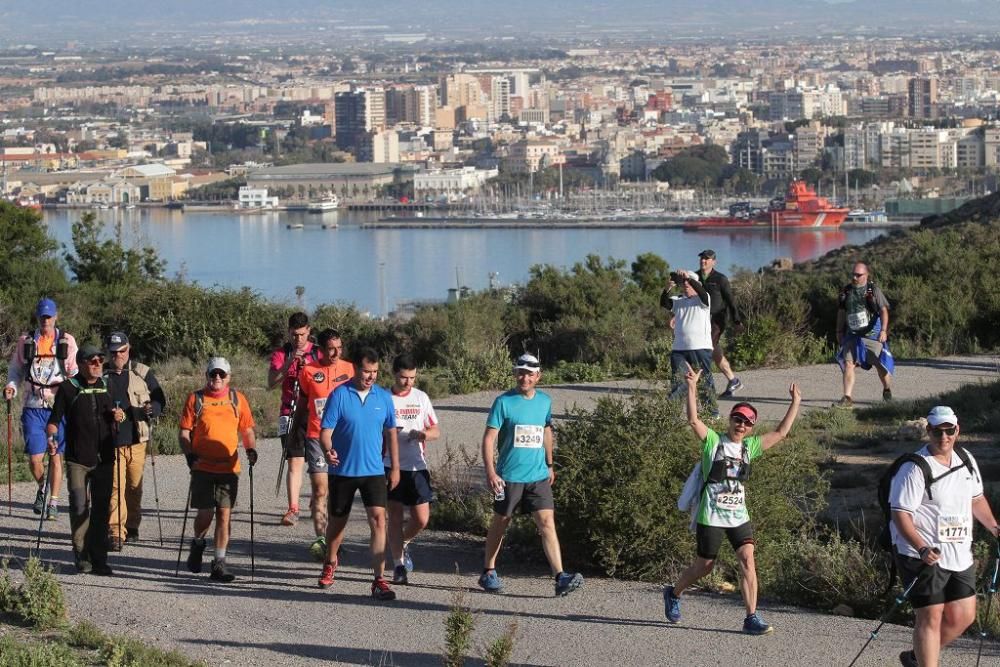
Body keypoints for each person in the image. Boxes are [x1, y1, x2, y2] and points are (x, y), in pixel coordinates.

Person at [664, 366, 801, 635]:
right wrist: (692, 387)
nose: (741, 425)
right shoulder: (714, 442)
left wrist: (795, 403)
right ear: (730, 420)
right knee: (704, 566)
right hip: (711, 514)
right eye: (738, 419)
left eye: (747, 422)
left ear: (751, 428)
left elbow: (781, 433)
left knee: (748, 559)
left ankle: (751, 617)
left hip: (738, 514)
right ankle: (674, 593)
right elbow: (693, 421)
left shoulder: (749, 448)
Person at [889, 406, 999, 667]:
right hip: (921, 554)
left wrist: (995, 527)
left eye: (949, 430)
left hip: (959, 553)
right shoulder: (913, 468)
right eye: (937, 431)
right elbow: (900, 514)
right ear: (928, 431)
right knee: (930, 616)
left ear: (957, 430)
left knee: (963, 615)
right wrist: (922, 547)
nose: (944, 436)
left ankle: (917, 657)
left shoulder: (966, 459)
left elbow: (977, 499)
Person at [479, 353, 583, 597]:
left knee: (547, 523)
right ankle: (488, 571)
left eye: (529, 373)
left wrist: (549, 463)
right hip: (509, 477)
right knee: (501, 522)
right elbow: (489, 438)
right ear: (515, 374)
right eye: (520, 372)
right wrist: (491, 471)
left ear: (538, 376)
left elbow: (546, 430)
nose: (524, 377)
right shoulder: (503, 402)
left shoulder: (544, 401)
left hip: (537, 476)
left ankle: (560, 577)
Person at [317, 348, 400, 601]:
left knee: (378, 521)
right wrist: (328, 450)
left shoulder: (384, 398)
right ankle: (330, 562)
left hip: (373, 470)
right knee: (337, 523)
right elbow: (325, 432)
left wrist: (394, 467)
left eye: (375, 372)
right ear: (355, 369)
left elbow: (391, 433)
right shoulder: (339, 395)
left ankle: (378, 580)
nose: (371, 376)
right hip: (343, 470)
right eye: (366, 371)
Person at [179, 357, 257, 583]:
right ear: (207, 375)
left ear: (228, 377)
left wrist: (251, 449)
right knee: (205, 514)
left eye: (222, 375)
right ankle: (198, 542)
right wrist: (189, 454)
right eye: (213, 374)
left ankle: (219, 563)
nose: (217, 378)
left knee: (224, 514)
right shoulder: (196, 399)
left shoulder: (237, 399)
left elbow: (248, 430)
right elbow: (184, 433)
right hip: (202, 466)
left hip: (229, 468)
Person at [46, 343, 119, 575]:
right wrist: (51, 436)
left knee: (101, 509)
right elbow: (54, 419)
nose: (98, 364)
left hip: (105, 458)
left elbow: (118, 412)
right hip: (78, 458)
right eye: (93, 361)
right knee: (79, 505)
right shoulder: (68, 388)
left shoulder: (107, 385)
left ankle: (99, 559)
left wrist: (121, 415)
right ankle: (81, 555)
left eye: (101, 360)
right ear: (80, 364)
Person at [4, 297, 78, 520]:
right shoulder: (26, 341)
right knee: (35, 459)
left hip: (57, 407)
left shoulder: (67, 341)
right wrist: (10, 387)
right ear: (37, 318)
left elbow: (74, 372)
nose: (45, 320)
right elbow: (16, 370)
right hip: (33, 405)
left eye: (49, 316)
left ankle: (53, 502)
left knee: (56, 456)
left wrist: (74, 397)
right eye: (42, 316)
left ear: (55, 317)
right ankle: (42, 488)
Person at [290, 328, 354, 561]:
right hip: (316, 436)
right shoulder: (309, 372)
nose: (336, 352)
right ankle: (322, 540)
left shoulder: (350, 369)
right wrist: (294, 433)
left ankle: (336, 539)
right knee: (320, 490)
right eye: (330, 348)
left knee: (340, 491)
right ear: (322, 350)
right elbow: (303, 403)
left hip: (344, 438)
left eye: (339, 347)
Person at [103, 331, 166, 550]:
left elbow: (160, 399)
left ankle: (132, 524)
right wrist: (110, 412)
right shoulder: (102, 374)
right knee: (115, 487)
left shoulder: (142, 372)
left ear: (128, 349)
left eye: (121, 351)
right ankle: (116, 532)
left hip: (137, 439)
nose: (117, 356)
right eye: (113, 352)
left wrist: (152, 409)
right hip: (112, 441)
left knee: (133, 486)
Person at [385, 354, 440, 585]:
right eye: (404, 377)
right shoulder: (384, 398)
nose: (408, 382)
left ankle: (404, 542)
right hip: (388, 465)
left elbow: (436, 429)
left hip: (417, 466)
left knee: (421, 519)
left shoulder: (421, 397)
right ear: (394, 374)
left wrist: (424, 434)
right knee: (395, 516)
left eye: (412, 378)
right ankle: (398, 565)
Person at [268, 312, 320, 527]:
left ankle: (318, 497)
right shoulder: (281, 353)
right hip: (289, 412)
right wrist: (289, 362)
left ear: (308, 331)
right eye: (294, 335)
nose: (298, 339)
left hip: (315, 413)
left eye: (301, 334)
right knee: (295, 460)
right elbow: (271, 382)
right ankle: (293, 509)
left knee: (319, 462)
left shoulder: (318, 353)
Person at [835, 262, 894, 407]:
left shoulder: (873, 291)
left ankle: (887, 389)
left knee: (880, 366)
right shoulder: (846, 292)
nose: (854, 277)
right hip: (852, 335)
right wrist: (839, 331)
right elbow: (842, 312)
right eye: (853, 274)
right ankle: (847, 397)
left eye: (858, 275)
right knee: (849, 364)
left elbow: (884, 311)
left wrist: (884, 331)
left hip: (872, 336)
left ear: (866, 275)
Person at [661, 270, 717, 416]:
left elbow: (701, 291)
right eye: (684, 281)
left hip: (701, 347)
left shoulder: (704, 300)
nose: (686, 283)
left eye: (689, 281)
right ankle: (671, 414)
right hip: (679, 349)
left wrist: (688, 278)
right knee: (678, 381)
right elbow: (664, 303)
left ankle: (712, 413)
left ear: (696, 283)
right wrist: (667, 288)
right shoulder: (678, 300)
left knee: (705, 381)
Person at [695, 249, 744, 398]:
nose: (703, 261)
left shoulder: (720, 279)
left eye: (707, 259)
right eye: (702, 258)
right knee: (714, 348)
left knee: (706, 346)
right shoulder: (695, 277)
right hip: (700, 318)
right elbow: (687, 296)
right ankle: (733, 380)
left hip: (718, 318)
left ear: (713, 262)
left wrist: (737, 321)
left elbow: (730, 300)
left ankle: (701, 386)